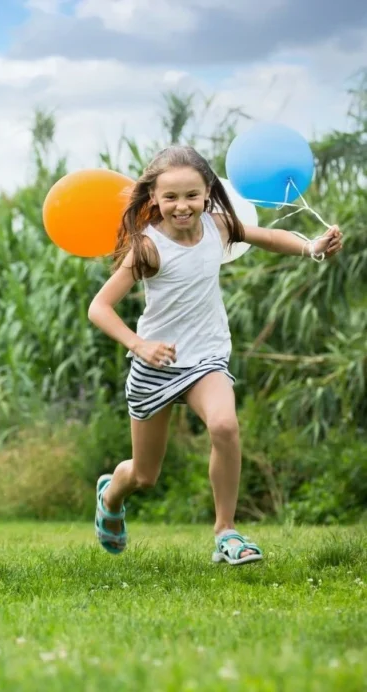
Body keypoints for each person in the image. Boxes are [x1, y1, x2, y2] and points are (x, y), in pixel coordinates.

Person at [87, 145, 344, 565]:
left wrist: (311, 247)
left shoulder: (220, 226)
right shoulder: (148, 248)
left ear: (208, 192)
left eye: (191, 195)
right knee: (145, 475)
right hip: (156, 364)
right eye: (170, 197)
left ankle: (226, 531)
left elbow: (269, 237)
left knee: (225, 426)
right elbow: (100, 307)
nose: (182, 206)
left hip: (205, 357)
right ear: (153, 197)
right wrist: (140, 345)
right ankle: (111, 496)